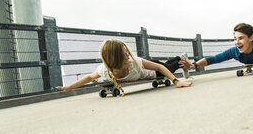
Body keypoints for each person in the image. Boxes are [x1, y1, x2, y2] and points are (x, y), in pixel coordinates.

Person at [56, 39, 192, 95]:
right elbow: (90, 77)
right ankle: (180, 57)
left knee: (170, 67)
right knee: (169, 64)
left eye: (128, 53)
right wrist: (69, 87)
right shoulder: (105, 69)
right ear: (114, 60)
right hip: (145, 67)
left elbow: (159, 67)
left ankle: (181, 59)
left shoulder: (134, 61)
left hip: (152, 70)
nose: (129, 57)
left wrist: (176, 81)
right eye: (125, 55)